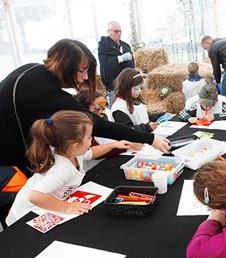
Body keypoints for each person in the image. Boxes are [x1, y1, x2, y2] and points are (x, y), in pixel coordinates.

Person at [0, 39, 170, 177]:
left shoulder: (32, 71)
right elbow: (97, 124)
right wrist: (149, 139)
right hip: (9, 161)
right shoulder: (47, 93)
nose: (85, 77)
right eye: (81, 71)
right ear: (64, 66)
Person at [6, 111, 136, 226]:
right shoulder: (62, 168)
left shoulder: (70, 152)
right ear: (75, 145)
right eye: (89, 137)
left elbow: (91, 152)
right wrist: (66, 207)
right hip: (26, 214)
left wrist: (114, 145)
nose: (92, 140)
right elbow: (36, 196)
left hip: (45, 204)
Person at [98, 21, 135, 103]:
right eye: (115, 31)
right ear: (108, 31)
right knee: (116, 109)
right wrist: (121, 58)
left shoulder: (125, 46)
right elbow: (106, 65)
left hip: (127, 84)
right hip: (113, 86)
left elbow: (132, 64)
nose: (118, 33)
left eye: (120, 31)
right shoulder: (104, 46)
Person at [111, 68, 157, 133]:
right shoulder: (119, 108)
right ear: (126, 87)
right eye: (136, 89)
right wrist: (147, 127)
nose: (139, 91)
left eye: (141, 88)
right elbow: (127, 131)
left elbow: (143, 115)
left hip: (146, 136)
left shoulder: (135, 99)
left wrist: (156, 118)